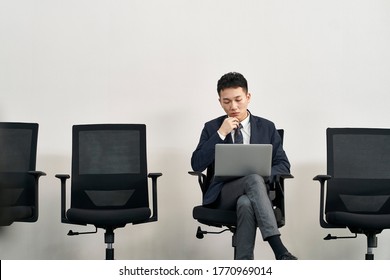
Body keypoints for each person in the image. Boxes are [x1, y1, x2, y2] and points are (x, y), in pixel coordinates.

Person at [191, 72, 297, 260]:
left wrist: (262, 175)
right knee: (253, 179)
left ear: (248, 97)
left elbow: (283, 165)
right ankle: (280, 251)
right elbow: (197, 164)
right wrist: (220, 134)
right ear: (220, 102)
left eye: (238, 99)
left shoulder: (267, 128)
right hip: (224, 194)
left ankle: (243, 266)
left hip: (255, 194)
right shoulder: (211, 128)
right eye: (226, 101)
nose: (233, 106)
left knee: (246, 202)